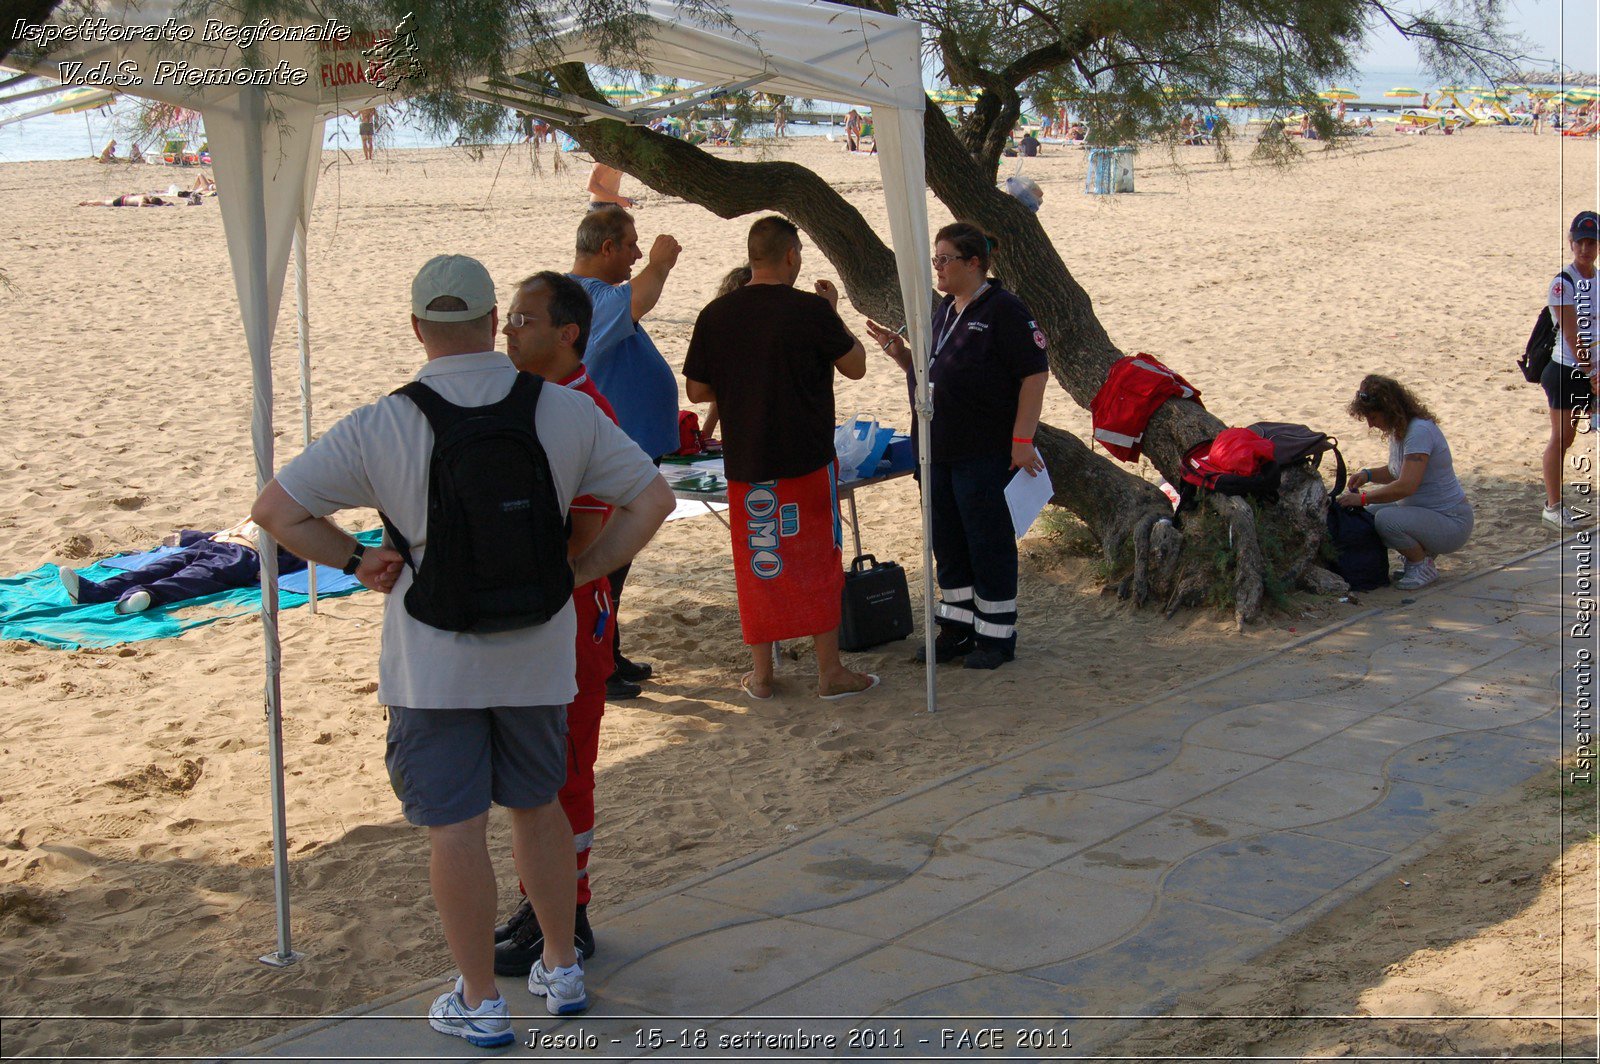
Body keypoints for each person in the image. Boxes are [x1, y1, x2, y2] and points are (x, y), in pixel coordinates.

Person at [251, 254, 673, 1045]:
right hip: (538, 648)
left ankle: (479, 999)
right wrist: (581, 569)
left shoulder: (383, 421)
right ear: (492, 325)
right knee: (537, 806)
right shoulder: (562, 410)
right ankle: (562, 965)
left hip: (431, 657)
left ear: (418, 328)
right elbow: (653, 498)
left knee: (455, 827)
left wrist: (354, 560)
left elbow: (275, 508)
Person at [683, 215, 878, 701]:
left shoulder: (717, 313)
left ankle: (763, 675)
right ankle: (829, 670)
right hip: (806, 459)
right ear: (791, 256)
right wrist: (831, 314)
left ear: (753, 257)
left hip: (747, 461)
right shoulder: (810, 311)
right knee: (817, 561)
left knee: (759, 563)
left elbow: (696, 388)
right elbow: (856, 366)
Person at [491, 270, 623, 977]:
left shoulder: (581, 410)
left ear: (567, 334)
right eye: (509, 318)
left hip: (569, 619)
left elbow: (593, 523)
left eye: (523, 320)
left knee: (565, 772)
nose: (508, 331)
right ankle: (540, 901)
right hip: (545, 616)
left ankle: (568, 914)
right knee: (535, 771)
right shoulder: (533, 400)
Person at [864, 221, 1049, 671]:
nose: (938, 267)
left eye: (945, 259)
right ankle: (957, 629)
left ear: (975, 263)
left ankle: (996, 638)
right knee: (947, 544)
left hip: (983, 451)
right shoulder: (946, 308)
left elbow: (1035, 374)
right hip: (938, 449)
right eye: (935, 259)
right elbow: (934, 371)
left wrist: (1023, 439)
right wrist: (902, 355)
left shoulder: (1005, 309)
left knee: (987, 543)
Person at [569, 206, 682, 698]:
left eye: (641, 248)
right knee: (605, 565)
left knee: (616, 565)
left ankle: (608, 653)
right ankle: (599, 665)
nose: (637, 255)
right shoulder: (587, 298)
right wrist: (659, 263)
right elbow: (641, 298)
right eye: (632, 246)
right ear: (607, 247)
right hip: (613, 457)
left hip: (631, 451)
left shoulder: (593, 297)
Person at [1337, 375, 1473, 590]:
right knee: (1369, 515)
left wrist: (1362, 498)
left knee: (1386, 520)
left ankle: (1420, 564)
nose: (1371, 424)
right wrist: (1368, 475)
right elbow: (1397, 472)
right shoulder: (1399, 430)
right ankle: (1419, 555)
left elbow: (1406, 485)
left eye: (1373, 417)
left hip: (1451, 521)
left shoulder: (1419, 431)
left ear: (1389, 410)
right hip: (1426, 511)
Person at [58, 518, 305, 614]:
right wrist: (187, 537)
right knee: (155, 568)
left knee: (192, 578)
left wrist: (271, 569)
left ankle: (144, 597)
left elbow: (301, 555)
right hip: (213, 543)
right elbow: (223, 531)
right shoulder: (263, 511)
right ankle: (94, 593)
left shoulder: (304, 524)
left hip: (244, 555)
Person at [1540, 210, 1599, 529]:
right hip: (1567, 372)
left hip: (1595, 373)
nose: (1585, 248)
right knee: (1562, 438)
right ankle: (1553, 506)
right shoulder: (1563, 283)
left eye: (1592, 242)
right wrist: (1592, 377)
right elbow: (1574, 337)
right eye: (1580, 242)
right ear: (1571, 242)